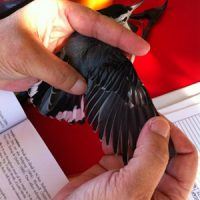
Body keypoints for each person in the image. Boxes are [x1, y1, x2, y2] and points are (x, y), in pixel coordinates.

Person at [0, 0, 197, 199]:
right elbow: (125, 97)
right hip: (62, 82)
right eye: (124, 18)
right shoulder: (113, 60)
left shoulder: (98, 44)